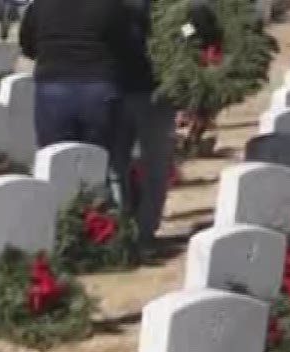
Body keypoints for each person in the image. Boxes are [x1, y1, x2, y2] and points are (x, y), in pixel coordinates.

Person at [17, 0, 147, 150]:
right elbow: (126, 45)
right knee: (97, 156)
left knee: (54, 154)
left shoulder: (40, 5)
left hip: (54, 81)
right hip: (98, 84)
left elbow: (27, 44)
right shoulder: (112, 5)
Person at [108, 0, 175, 247]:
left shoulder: (168, 10)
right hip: (121, 91)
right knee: (121, 166)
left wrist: (187, 32)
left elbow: (189, 28)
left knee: (149, 166)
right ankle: (128, 227)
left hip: (152, 92)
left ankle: (143, 229)